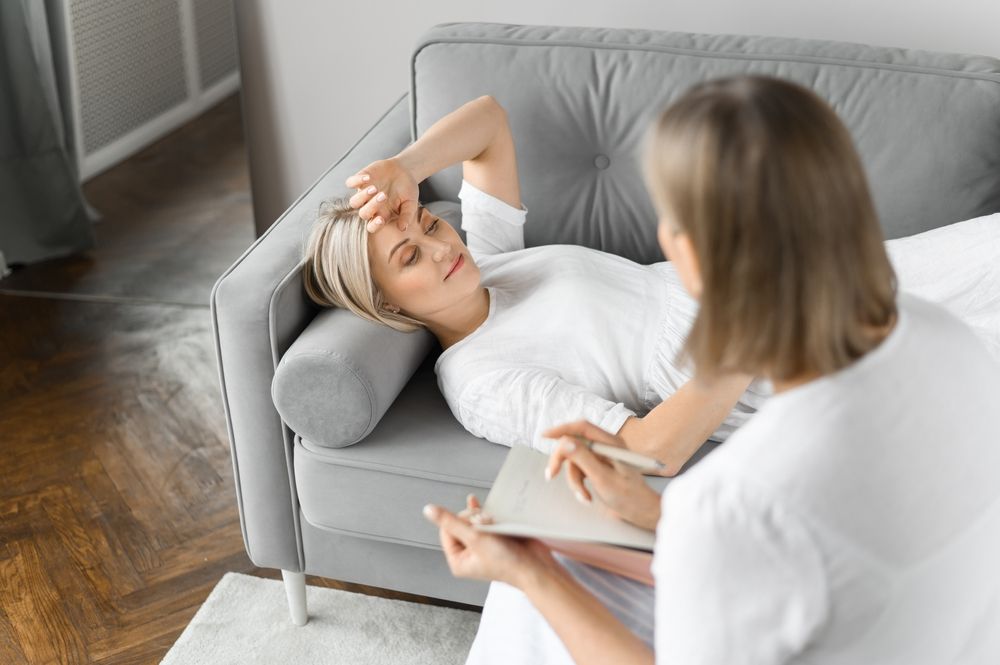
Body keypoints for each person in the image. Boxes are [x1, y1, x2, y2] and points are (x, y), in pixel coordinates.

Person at [422, 75, 1000, 664]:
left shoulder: (731, 501)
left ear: (689, 253)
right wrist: (653, 512)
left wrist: (528, 572)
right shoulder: (947, 339)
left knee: (524, 603)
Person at [305, 94, 766, 475]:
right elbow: (646, 450)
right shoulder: (482, 383)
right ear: (386, 304)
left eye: (428, 226)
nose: (442, 249)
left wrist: (406, 166)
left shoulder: (489, 260)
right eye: (410, 258)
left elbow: (489, 122)